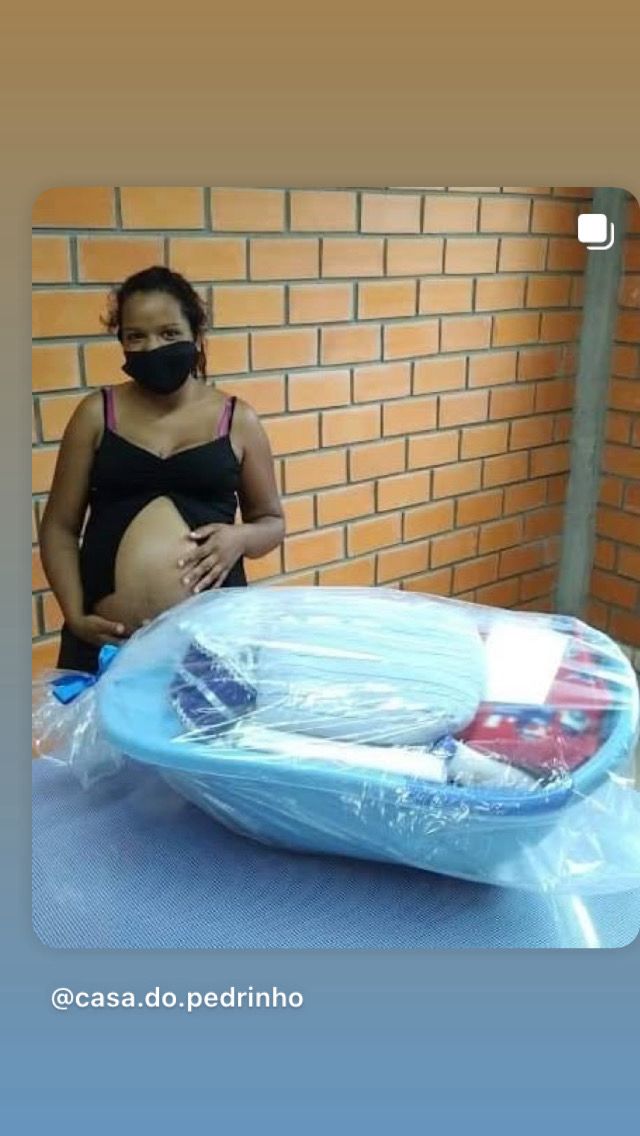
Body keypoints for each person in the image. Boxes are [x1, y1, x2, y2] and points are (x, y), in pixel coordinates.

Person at [40, 266, 285, 674]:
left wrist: (240, 538)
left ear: (196, 335)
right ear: (121, 341)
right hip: (105, 647)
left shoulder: (238, 420)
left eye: (169, 333)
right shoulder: (96, 415)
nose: (152, 347)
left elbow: (272, 522)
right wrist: (75, 615)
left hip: (212, 650)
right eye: (136, 336)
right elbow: (59, 527)